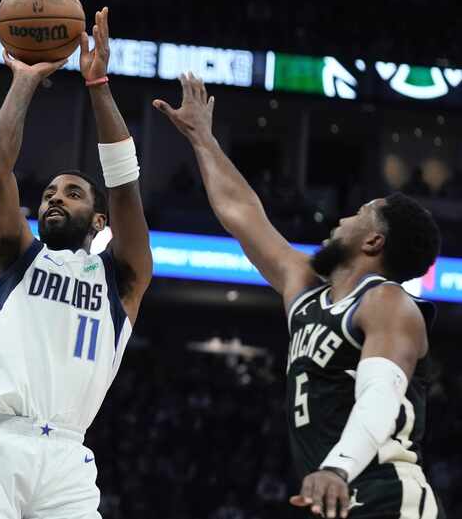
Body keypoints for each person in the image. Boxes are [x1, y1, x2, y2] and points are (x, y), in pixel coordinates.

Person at [153, 73, 444, 519]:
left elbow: (379, 396)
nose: (343, 218)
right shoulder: (306, 291)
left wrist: (339, 469)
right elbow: (242, 213)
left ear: (373, 243)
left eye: (360, 214)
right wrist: (203, 140)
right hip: (334, 496)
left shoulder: (387, 302)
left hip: (385, 493)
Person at [0, 7, 153, 519]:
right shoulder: (13, 257)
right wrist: (24, 80)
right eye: (48, 193)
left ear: (99, 221)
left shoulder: (121, 280)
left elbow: (126, 186)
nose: (55, 199)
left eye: (74, 193)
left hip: (69, 458)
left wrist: (98, 85)